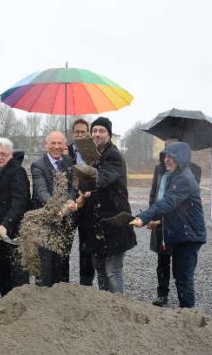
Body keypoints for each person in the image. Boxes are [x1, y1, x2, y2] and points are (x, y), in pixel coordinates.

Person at [131, 142, 206, 308]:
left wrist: (142, 218)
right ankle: (186, 313)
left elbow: (167, 203)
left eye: (172, 156)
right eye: (166, 156)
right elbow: (177, 209)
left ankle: (188, 315)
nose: (167, 159)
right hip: (183, 234)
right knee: (180, 276)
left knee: (184, 278)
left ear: (182, 158)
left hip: (189, 236)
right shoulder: (176, 176)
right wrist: (158, 222)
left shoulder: (184, 178)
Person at [78, 117, 136, 294]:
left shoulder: (113, 156)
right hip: (97, 223)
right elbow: (85, 181)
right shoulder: (93, 156)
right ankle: (106, 306)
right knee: (101, 270)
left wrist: (86, 185)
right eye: (94, 131)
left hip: (114, 221)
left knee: (112, 271)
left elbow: (102, 179)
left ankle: (118, 306)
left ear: (109, 135)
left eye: (101, 131)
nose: (97, 134)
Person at [148, 135, 202, 306]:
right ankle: (162, 294)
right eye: (166, 149)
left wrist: (147, 217)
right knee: (162, 260)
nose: (168, 155)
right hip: (161, 221)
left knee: (182, 272)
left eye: (173, 149)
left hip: (178, 224)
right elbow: (154, 192)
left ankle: (186, 307)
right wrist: (153, 215)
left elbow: (178, 201)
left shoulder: (191, 171)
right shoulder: (160, 169)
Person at [31, 131, 79, 287]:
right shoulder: (38, 165)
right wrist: (57, 206)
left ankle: (61, 299)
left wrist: (71, 200)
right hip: (45, 222)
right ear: (46, 145)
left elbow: (73, 187)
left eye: (60, 143)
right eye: (53, 143)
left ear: (64, 145)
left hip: (65, 224)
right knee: (45, 265)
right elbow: (41, 191)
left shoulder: (69, 161)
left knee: (63, 262)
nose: (56, 147)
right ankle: (44, 300)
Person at [0, 137, 30, 296]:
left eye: (3, 154)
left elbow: (20, 201)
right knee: (1, 271)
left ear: (10, 155)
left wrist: (6, 224)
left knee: (18, 273)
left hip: (15, 231)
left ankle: (21, 308)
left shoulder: (18, 172)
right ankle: (5, 304)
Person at [67, 118, 96, 287]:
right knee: (64, 243)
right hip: (70, 203)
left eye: (83, 131)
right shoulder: (66, 151)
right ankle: (63, 283)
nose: (80, 134)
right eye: (77, 131)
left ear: (88, 133)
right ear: (72, 134)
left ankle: (86, 283)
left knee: (86, 247)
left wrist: (85, 195)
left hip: (88, 204)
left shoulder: (93, 153)